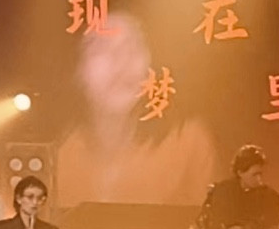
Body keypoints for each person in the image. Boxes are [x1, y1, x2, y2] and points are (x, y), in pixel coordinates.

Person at [57, 12, 217, 207]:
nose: (122, 60)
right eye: (101, 46)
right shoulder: (53, 152)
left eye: (133, 46)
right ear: (76, 69)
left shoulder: (187, 142)